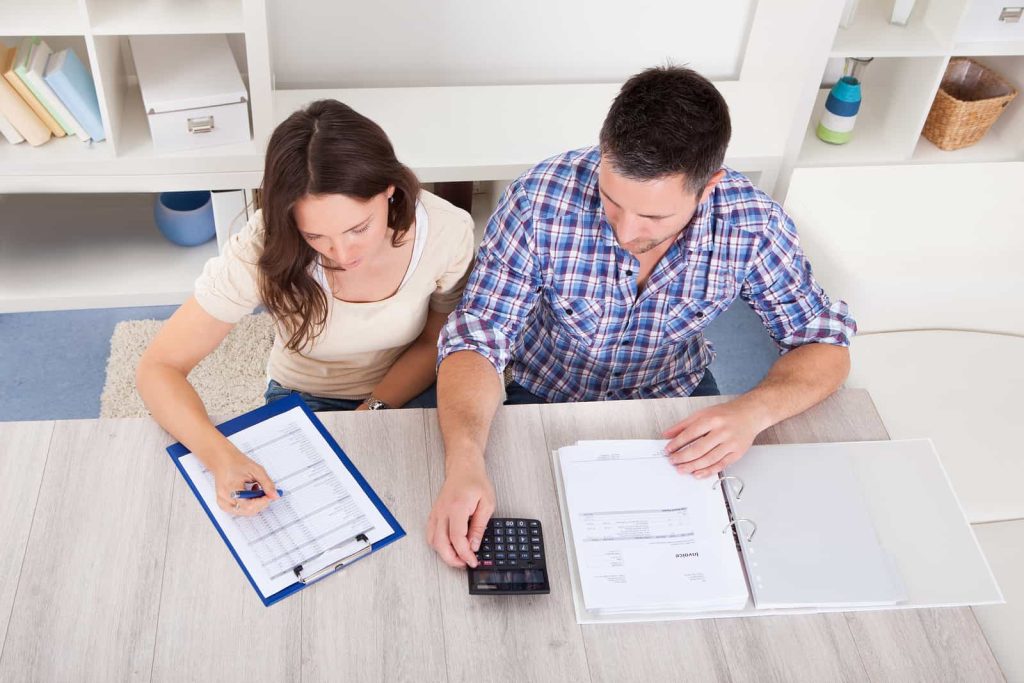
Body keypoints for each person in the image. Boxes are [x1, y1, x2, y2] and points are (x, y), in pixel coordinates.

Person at [426, 66, 857, 568]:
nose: (627, 230)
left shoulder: (753, 223)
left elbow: (824, 344)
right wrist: (464, 459)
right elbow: (477, 337)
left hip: (676, 397)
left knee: (722, 556)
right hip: (540, 388)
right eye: (612, 201)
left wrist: (752, 411)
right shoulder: (537, 201)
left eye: (653, 217)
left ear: (708, 185)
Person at [137, 99, 475, 517]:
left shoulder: (447, 230)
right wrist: (221, 456)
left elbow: (436, 340)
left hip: (407, 387)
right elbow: (158, 368)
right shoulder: (264, 244)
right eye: (315, 236)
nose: (342, 252)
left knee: (447, 505)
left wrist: (373, 409)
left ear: (390, 190)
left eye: (359, 228)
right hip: (306, 395)